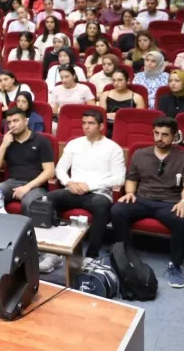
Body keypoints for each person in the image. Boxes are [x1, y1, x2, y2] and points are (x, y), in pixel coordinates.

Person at [111, 117, 184, 289]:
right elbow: (132, 178)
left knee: (183, 220)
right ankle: (126, 253)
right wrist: (129, 193)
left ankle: (175, 265)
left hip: (169, 202)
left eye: (165, 135)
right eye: (156, 133)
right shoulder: (140, 154)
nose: (160, 138)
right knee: (117, 210)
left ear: (174, 136)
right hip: (142, 199)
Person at [44, 109, 125, 271]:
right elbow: (60, 169)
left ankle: (91, 255)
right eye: (84, 123)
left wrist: (91, 185)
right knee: (48, 199)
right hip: (73, 190)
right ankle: (55, 252)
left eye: (91, 123)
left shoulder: (113, 148)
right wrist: (69, 183)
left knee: (101, 206)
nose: (86, 127)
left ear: (101, 126)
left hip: (98, 193)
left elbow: (119, 178)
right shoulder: (74, 144)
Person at [0, 108, 56, 215]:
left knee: (28, 203)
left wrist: (27, 187)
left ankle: (27, 231)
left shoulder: (41, 141)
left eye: (16, 121)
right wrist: (4, 145)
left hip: (36, 184)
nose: (12, 125)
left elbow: (50, 171)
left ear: (26, 121)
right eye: (9, 122)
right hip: (12, 182)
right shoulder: (7, 140)